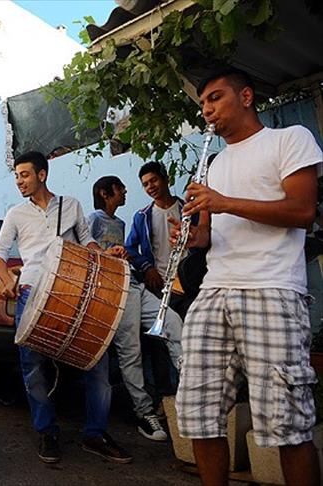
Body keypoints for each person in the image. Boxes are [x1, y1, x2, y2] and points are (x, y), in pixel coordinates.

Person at [174, 67, 321, 486]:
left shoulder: (289, 139)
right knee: (198, 414)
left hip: (271, 289)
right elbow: (209, 233)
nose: (207, 110)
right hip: (214, 291)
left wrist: (224, 202)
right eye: (203, 103)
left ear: (245, 97)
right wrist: (193, 237)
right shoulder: (213, 164)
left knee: (287, 422)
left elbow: (302, 211)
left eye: (215, 98)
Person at [0, 151, 132, 465]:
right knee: (32, 366)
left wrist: (106, 254)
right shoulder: (15, 214)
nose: (19, 182)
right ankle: (47, 430)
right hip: (31, 291)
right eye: (16, 177)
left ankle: (95, 433)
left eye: (25, 175)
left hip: (73, 288)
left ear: (42, 175)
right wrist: (8, 280)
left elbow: (87, 242)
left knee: (96, 359)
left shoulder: (71, 205)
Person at [87, 175, 183, 442]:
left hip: (134, 284)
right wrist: (108, 256)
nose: (125, 191)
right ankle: (144, 412)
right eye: (120, 188)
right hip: (114, 290)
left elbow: (123, 250)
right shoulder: (93, 219)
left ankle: (190, 391)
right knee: (131, 350)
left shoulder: (119, 222)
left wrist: (126, 256)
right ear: (105, 193)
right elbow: (86, 253)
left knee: (172, 322)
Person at [125, 161, 198, 316]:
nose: (150, 187)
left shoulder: (189, 210)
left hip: (190, 280)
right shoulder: (142, 217)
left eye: (154, 180)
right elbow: (130, 248)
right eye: (145, 184)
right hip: (161, 285)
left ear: (166, 179)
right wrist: (148, 268)